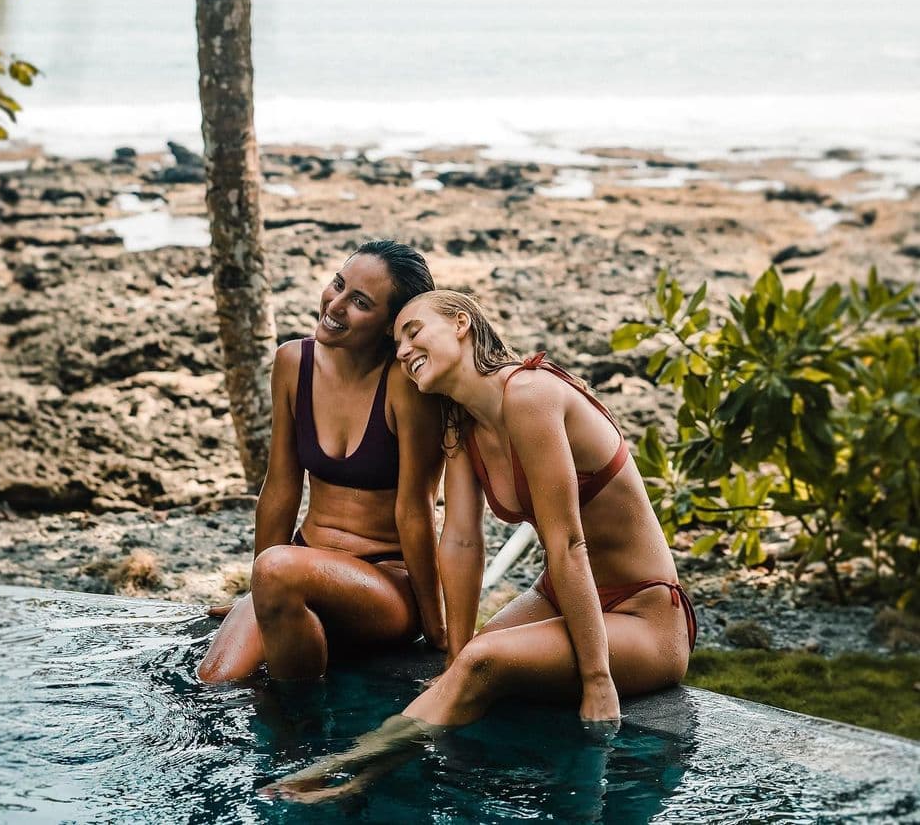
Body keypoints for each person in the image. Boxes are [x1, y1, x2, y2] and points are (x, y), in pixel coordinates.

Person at [269, 288, 696, 800]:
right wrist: (453, 651)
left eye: (413, 332)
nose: (402, 351)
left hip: (645, 612)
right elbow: (462, 542)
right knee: (468, 667)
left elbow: (567, 545)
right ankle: (362, 779)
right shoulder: (461, 424)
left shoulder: (530, 394)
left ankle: (343, 770)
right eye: (397, 343)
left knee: (484, 659)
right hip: (559, 596)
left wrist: (597, 679)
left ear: (461, 323)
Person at [197, 241, 445, 683]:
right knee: (214, 680)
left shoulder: (406, 387)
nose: (336, 304)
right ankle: (294, 726)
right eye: (338, 284)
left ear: (391, 326)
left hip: (384, 584)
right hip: (293, 569)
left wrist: (436, 626)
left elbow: (416, 508)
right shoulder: (294, 362)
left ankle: (298, 718)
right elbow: (280, 485)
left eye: (360, 302)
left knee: (277, 568)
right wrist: (259, 593)